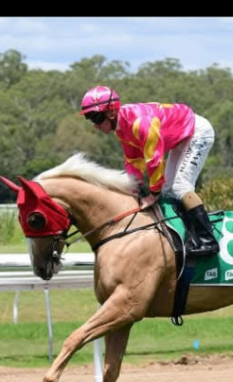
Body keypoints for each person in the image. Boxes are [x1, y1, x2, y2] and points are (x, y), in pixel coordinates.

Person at [80, 85, 219, 257]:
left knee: (180, 187)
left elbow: (154, 159)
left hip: (197, 132)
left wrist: (153, 194)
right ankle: (185, 235)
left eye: (96, 118)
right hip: (181, 137)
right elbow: (133, 161)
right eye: (90, 119)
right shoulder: (122, 129)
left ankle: (208, 239)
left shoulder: (140, 124)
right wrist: (134, 189)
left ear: (111, 112)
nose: (95, 125)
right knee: (168, 190)